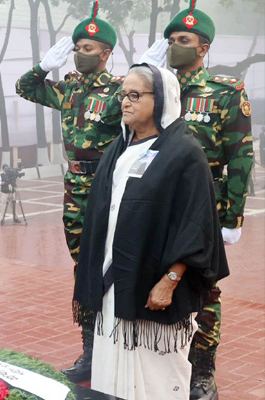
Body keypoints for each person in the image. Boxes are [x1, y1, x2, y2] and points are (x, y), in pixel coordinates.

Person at [73, 63, 229, 399]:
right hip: (113, 284)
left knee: (156, 380)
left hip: (154, 290)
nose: (125, 103)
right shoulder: (120, 148)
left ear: (159, 100)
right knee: (112, 374)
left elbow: (195, 223)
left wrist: (170, 280)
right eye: (123, 95)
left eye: (135, 95)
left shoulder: (185, 154)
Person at [139, 2, 254, 397]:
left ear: (203, 48)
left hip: (205, 204)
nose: (174, 47)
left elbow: (241, 156)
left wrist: (232, 218)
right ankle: (159, 360)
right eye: (170, 40)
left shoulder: (225, 92)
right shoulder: (157, 91)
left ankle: (202, 371)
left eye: (183, 40)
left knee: (204, 288)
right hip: (158, 203)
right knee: (158, 276)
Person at [15, 0, 123, 382]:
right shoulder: (68, 89)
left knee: (114, 265)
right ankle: (90, 351)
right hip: (74, 187)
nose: (79, 53)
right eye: (77, 47)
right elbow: (24, 88)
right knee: (83, 268)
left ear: (106, 54)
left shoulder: (119, 90)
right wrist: (44, 66)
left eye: (87, 48)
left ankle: (119, 347)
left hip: (108, 188)